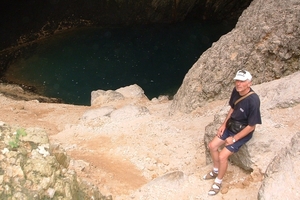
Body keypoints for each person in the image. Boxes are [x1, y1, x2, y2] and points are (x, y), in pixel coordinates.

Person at [203, 69, 262, 196]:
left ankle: (218, 181)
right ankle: (215, 170)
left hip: (242, 132)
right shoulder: (236, 91)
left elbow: (251, 126)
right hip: (231, 125)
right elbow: (233, 108)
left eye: (242, 81)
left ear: (249, 83)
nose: (238, 84)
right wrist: (224, 124)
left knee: (222, 156)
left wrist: (234, 139)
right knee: (212, 146)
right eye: (237, 81)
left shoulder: (253, 100)